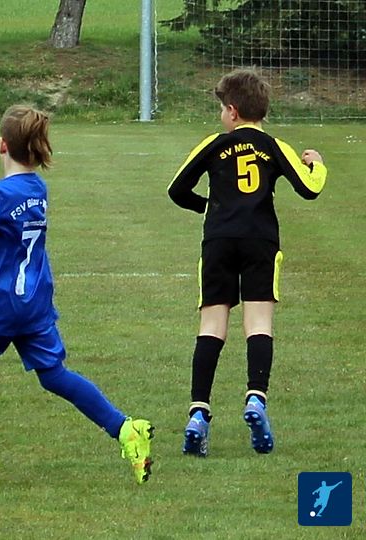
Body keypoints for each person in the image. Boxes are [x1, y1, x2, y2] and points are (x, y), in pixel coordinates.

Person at [0, 105, 154, 486]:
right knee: (54, 374)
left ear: (2, 145)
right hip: (34, 304)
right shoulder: (37, 189)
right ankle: (126, 429)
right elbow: (16, 237)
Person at [168, 69, 327, 457]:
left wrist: (209, 206)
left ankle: (198, 414)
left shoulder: (215, 144)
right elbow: (309, 188)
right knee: (258, 323)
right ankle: (256, 398)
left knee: (211, 326)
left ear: (233, 111)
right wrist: (317, 163)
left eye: (222, 108)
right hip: (260, 240)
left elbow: (176, 189)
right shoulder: (273, 145)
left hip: (219, 240)